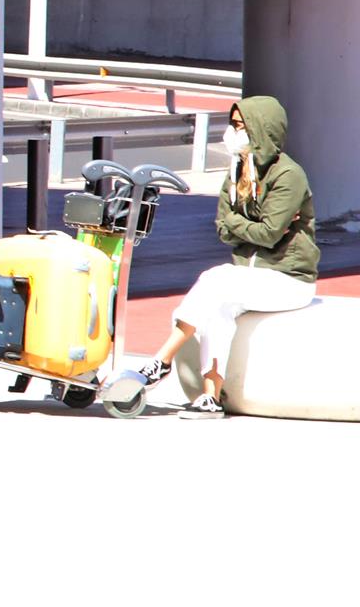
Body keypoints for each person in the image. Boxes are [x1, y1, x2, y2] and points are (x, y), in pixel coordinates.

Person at [133, 97, 317, 418]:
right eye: (232, 125)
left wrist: (238, 223)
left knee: (215, 279)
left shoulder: (289, 175)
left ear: (261, 130)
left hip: (289, 278)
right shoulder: (236, 171)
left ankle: (160, 361)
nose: (233, 132)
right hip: (248, 277)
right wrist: (246, 226)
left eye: (240, 126)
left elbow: (268, 234)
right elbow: (223, 228)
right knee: (217, 305)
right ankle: (210, 397)